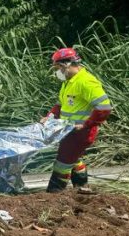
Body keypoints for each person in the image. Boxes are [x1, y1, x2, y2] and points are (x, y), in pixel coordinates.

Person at [41, 48, 112, 192]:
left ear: (66, 65)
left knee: (62, 162)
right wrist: (49, 117)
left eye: (57, 68)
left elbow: (104, 107)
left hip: (81, 132)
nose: (57, 72)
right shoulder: (68, 82)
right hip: (69, 130)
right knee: (74, 158)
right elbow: (60, 105)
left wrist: (86, 124)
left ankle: (54, 194)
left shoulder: (86, 81)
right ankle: (82, 188)